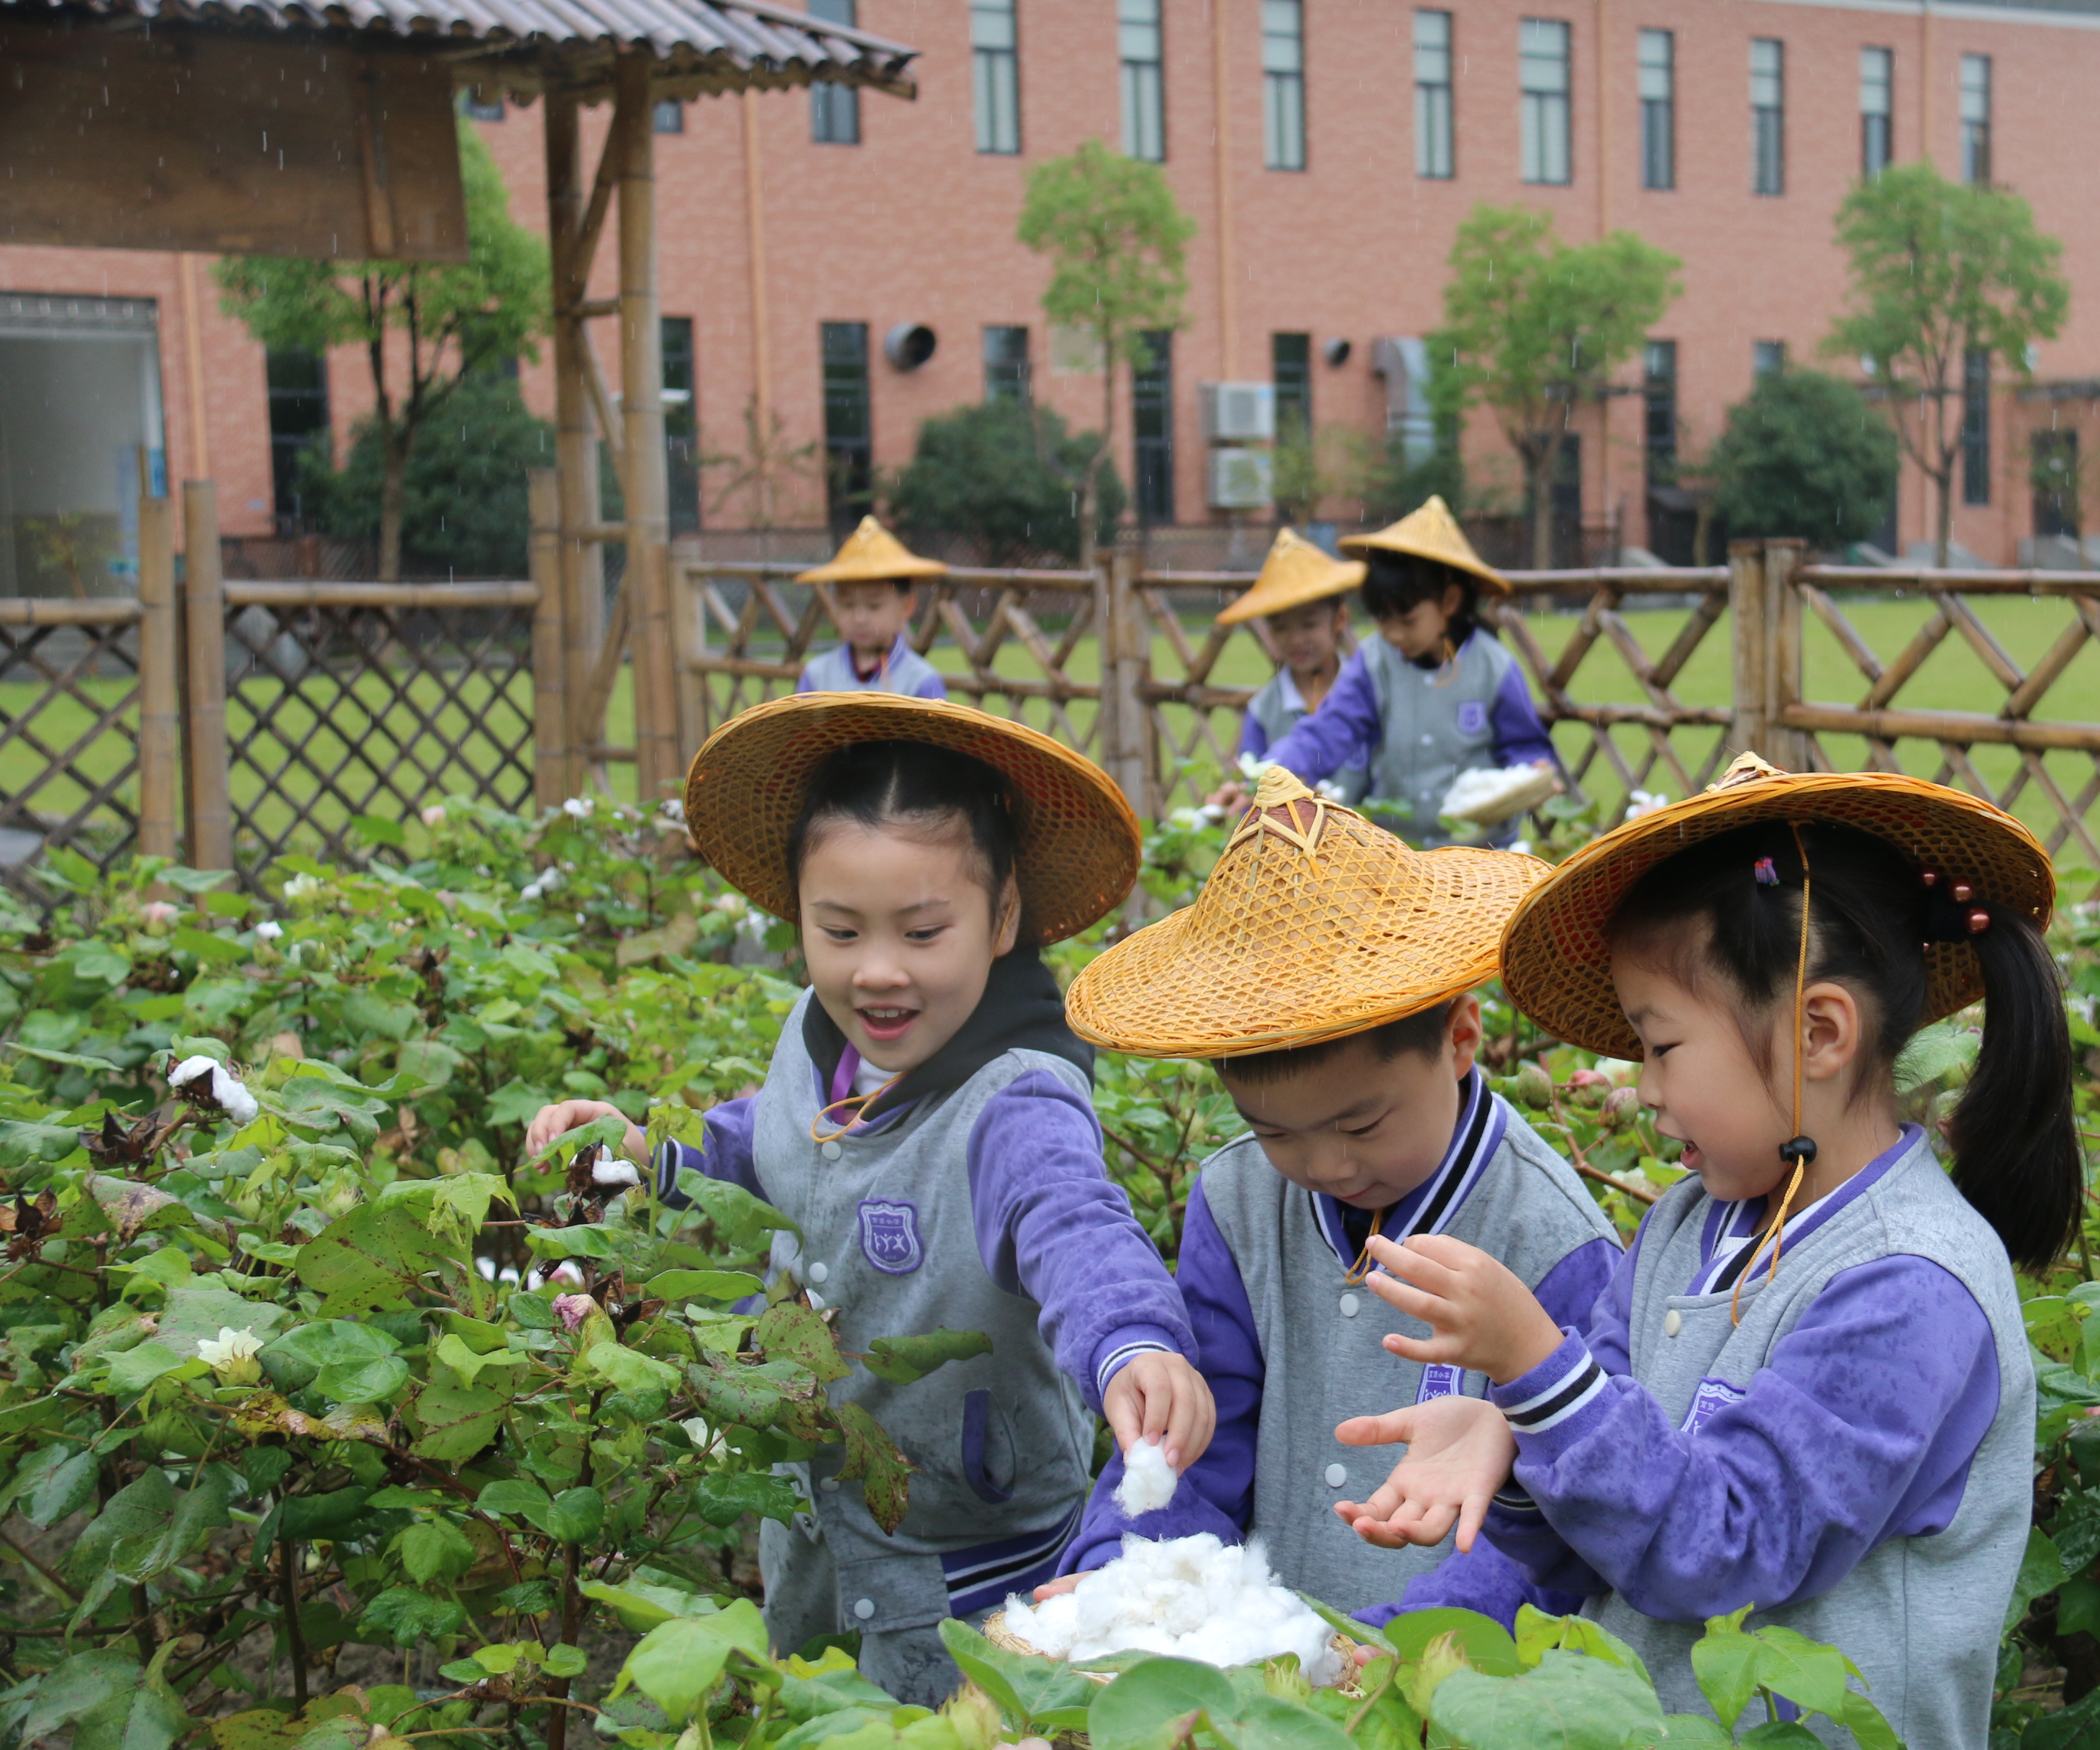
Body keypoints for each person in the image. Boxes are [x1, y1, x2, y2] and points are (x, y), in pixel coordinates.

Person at [1329, 751, 2083, 1738]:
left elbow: (1719, 1547)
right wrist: (1511, 1450)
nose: (1643, 1088)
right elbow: (1602, 1545)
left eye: (1661, 1045)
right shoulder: (1687, 1227)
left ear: (1819, 1032)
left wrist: (1535, 1369)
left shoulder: (1909, 1285)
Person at [522, 694, 1212, 1705]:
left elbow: (1074, 1223)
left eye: (924, 931)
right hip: (811, 1524)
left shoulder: (1014, 1099)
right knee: (809, 1710)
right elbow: (771, 1149)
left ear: (1003, 916)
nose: (877, 971)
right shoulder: (818, 1034)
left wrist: (1133, 1340)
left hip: (971, 1559)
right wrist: (645, 1157)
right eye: (838, 929)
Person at [1044, 765, 1621, 1623]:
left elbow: (1562, 1523)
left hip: (1451, 1684)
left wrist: (1413, 1654)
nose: (1326, 1167)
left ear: (1460, 1038)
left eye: (1360, 1126)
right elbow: (1206, 1435)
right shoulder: (1237, 1197)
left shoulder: (1549, 1236)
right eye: (1276, 1132)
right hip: (1273, 1676)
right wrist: (1127, 1577)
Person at [1212, 497, 1557, 846]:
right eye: (1382, 620)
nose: (1393, 634)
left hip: (1480, 854)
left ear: (1449, 602)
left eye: (1407, 620)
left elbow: (1524, 744)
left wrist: (1536, 769)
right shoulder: (1374, 661)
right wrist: (1265, 780)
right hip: (1396, 854)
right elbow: (1329, 730)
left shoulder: (1493, 666)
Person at [1222, 527, 1368, 804]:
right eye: (1280, 628)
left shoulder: (1367, 692)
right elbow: (1252, 797)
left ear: (1339, 619)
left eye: (1309, 624)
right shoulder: (1263, 710)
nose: (1296, 639)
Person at [794, 515, 950, 699]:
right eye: (848, 605)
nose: (859, 618)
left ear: (906, 607)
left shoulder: (921, 682)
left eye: (874, 606)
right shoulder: (817, 676)